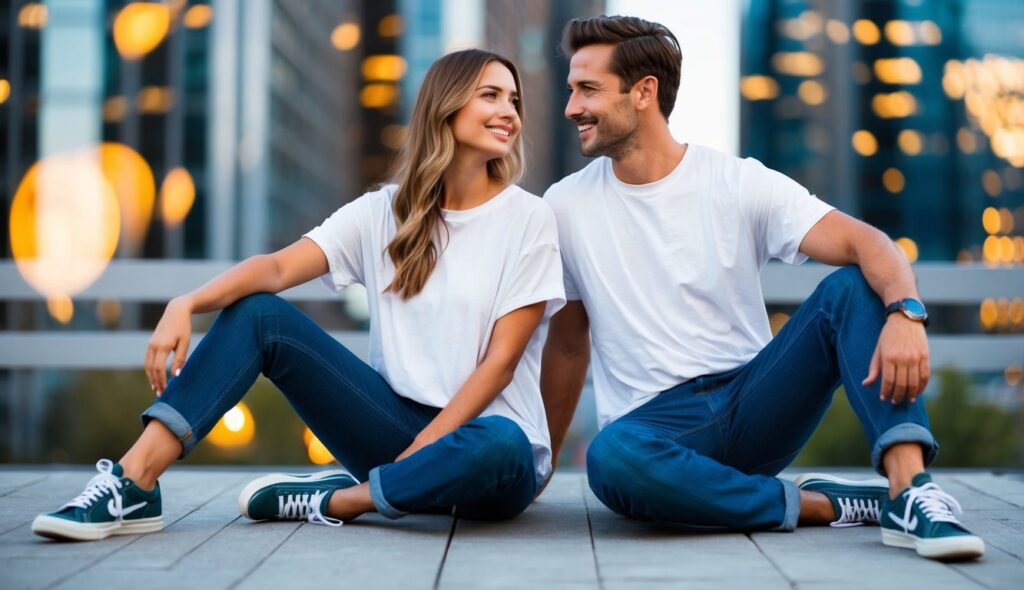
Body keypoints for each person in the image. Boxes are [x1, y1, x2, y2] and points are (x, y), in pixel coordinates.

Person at [33, 49, 565, 541]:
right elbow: (279, 267)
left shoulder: (529, 219)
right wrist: (186, 303)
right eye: (491, 95)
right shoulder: (383, 212)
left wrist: (424, 454)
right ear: (445, 106)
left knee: (501, 440)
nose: (510, 112)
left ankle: (340, 500)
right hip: (395, 433)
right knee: (261, 315)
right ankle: (135, 482)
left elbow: (500, 365)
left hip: (488, 460)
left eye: (514, 100)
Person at [540, 15, 984, 561]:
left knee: (849, 287)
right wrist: (545, 461)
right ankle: (822, 505)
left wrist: (907, 314)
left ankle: (910, 491)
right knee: (611, 458)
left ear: (643, 93)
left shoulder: (736, 182)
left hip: (754, 400)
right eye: (570, 90)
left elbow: (869, 243)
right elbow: (565, 346)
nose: (571, 108)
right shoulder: (564, 205)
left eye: (588, 89)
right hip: (654, 431)